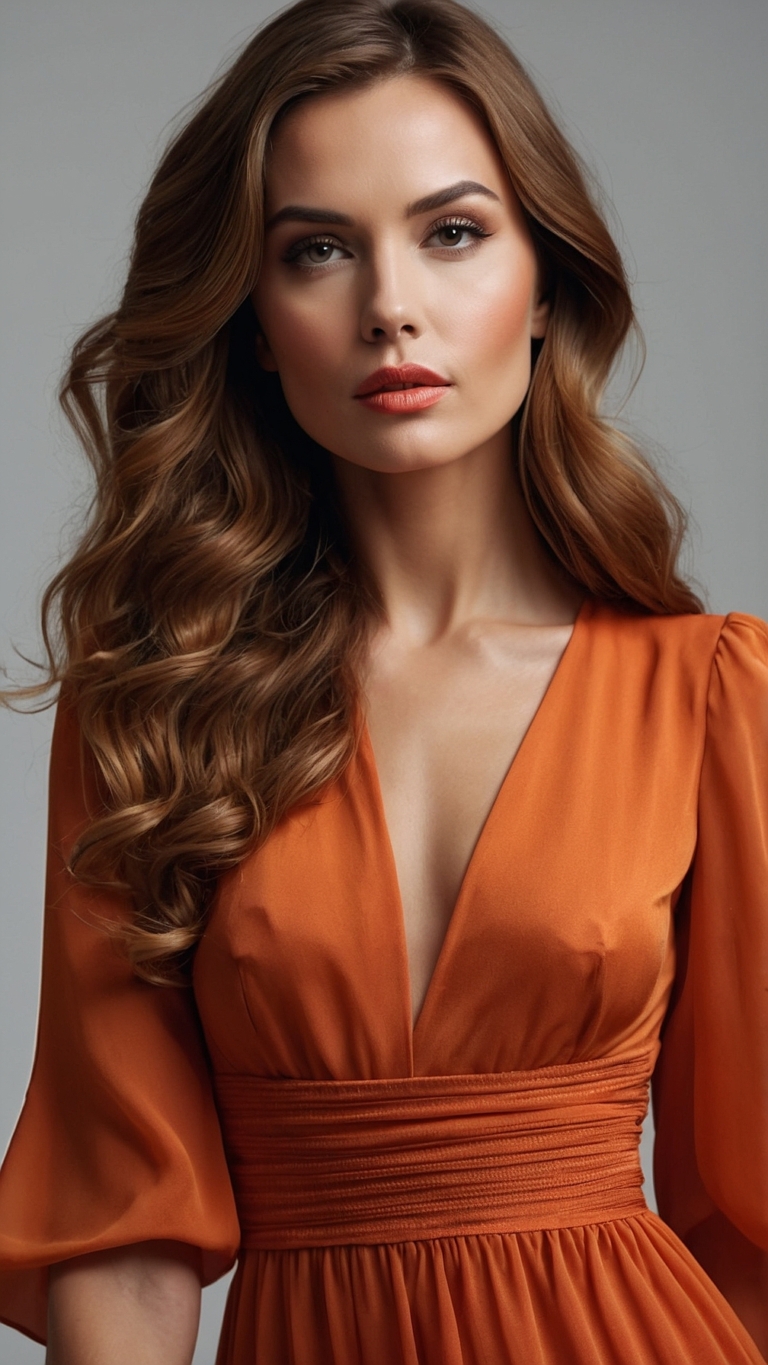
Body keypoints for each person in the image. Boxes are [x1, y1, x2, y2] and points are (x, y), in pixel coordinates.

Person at [0, 0, 766, 1360]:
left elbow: (756, 1237)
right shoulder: (155, 709)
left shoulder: (711, 696)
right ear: (253, 321)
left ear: (546, 291)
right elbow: (122, 1237)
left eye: (452, 231)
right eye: (317, 251)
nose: (390, 305)